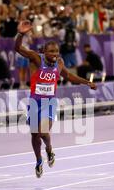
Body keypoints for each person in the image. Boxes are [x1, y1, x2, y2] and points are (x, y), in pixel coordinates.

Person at [15, 20, 97, 178]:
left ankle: (49, 149)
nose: (54, 54)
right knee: (34, 135)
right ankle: (39, 160)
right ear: (44, 51)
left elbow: (69, 76)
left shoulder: (59, 63)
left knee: (42, 131)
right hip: (34, 102)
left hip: (50, 103)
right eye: (51, 51)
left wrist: (87, 82)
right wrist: (21, 34)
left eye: (56, 51)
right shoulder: (36, 59)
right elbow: (17, 48)